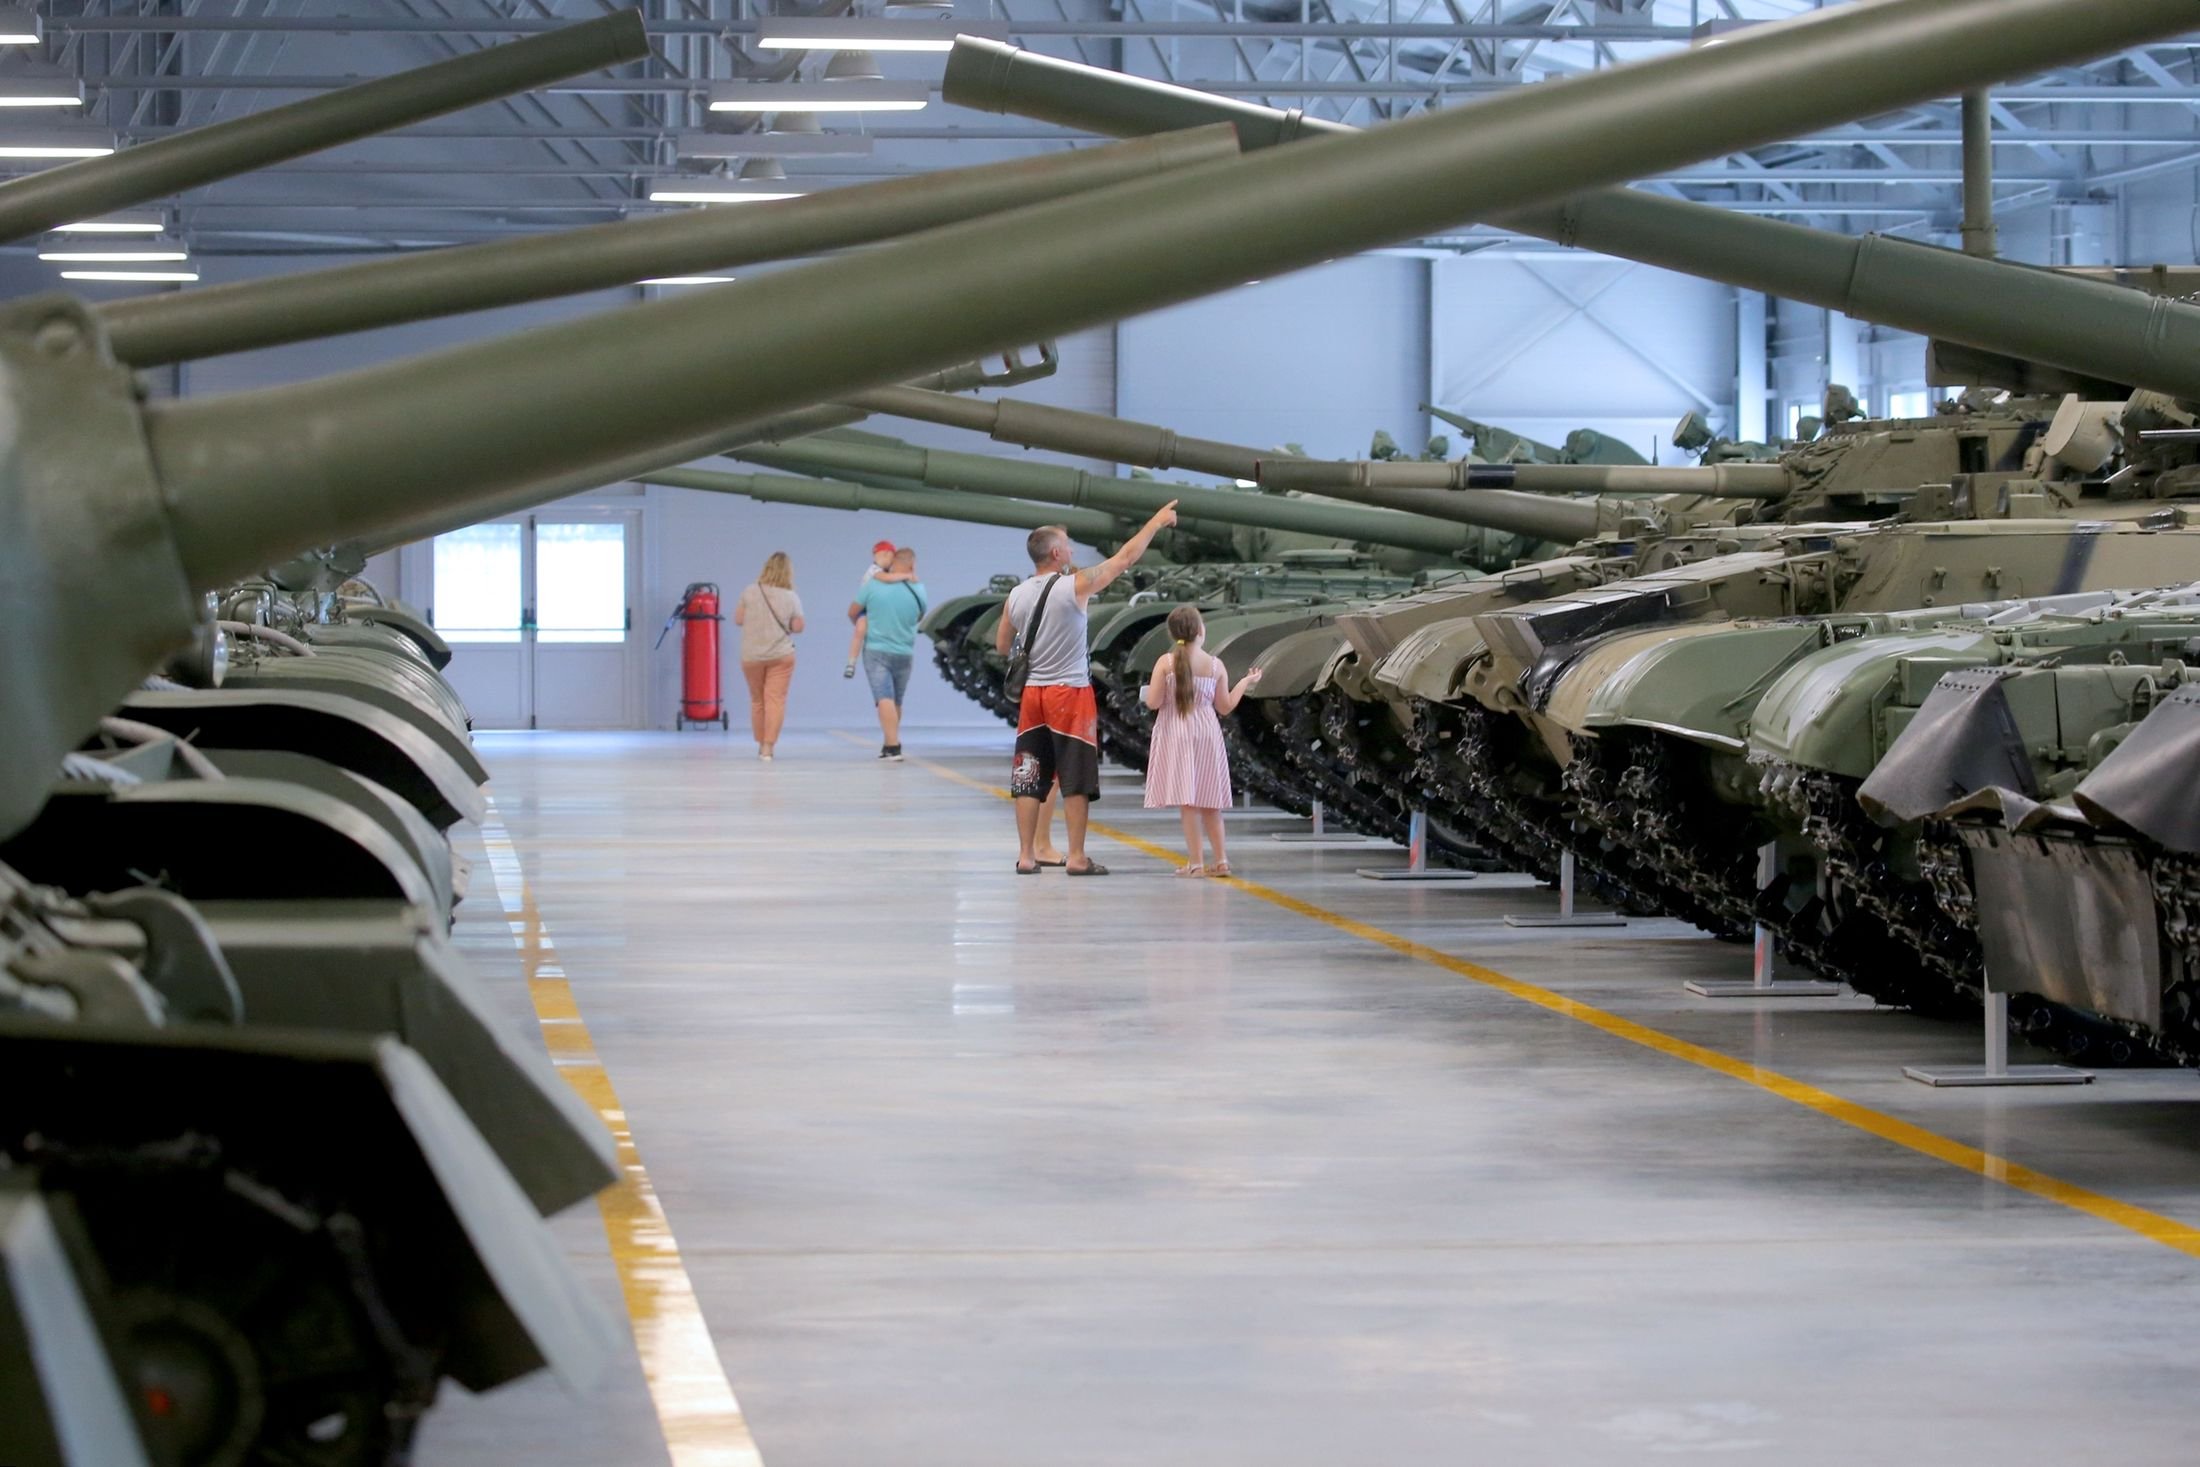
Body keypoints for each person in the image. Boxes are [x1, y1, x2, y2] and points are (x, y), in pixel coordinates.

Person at [997, 505, 1178, 875]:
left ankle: (1027, 856)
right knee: (1076, 777)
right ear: (1055, 553)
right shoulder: (1073, 586)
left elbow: (1003, 646)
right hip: (1070, 693)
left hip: (1033, 695)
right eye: (1067, 545)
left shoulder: (1015, 594)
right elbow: (1125, 558)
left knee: (1030, 773)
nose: (1072, 550)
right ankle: (1077, 857)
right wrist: (1155, 523)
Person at [1143, 604, 1260, 876]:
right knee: (1210, 801)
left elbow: (1153, 702)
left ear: (1173, 634)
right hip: (1207, 734)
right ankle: (1221, 861)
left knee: (1189, 803)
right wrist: (1245, 682)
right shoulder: (1215, 665)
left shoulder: (1165, 663)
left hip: (1176, 734)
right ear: (1200, 631)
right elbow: (1225, 706)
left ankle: (1195, 863)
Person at [849, 546, 928, 761]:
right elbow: (920, 615)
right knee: (896, 701)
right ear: (912, 565)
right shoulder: (919, 589)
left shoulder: (873, 586)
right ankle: (888, 742)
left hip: (876, 649)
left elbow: (853, 611)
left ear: (892, 563)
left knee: (884, 697)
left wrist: (863, 624)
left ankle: (893, 747)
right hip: (905, 651)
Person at [731, 552, 804, 761]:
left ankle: (759, 742)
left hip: (752, 655)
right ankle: (768, 748)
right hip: (781, 655)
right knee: (775, 700)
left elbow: (738, 619)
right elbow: (798, 626)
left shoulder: (749, 591)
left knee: (757, 700)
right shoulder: (791, 596)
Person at [845, 541, 913, 677]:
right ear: (886, 554)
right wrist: (905, 576)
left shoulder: (890, 572)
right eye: (892, 558)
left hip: (881, 610)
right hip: (867, 609)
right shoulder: (874, 570)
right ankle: (851, 663)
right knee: (860, 628)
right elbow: (885, 578)